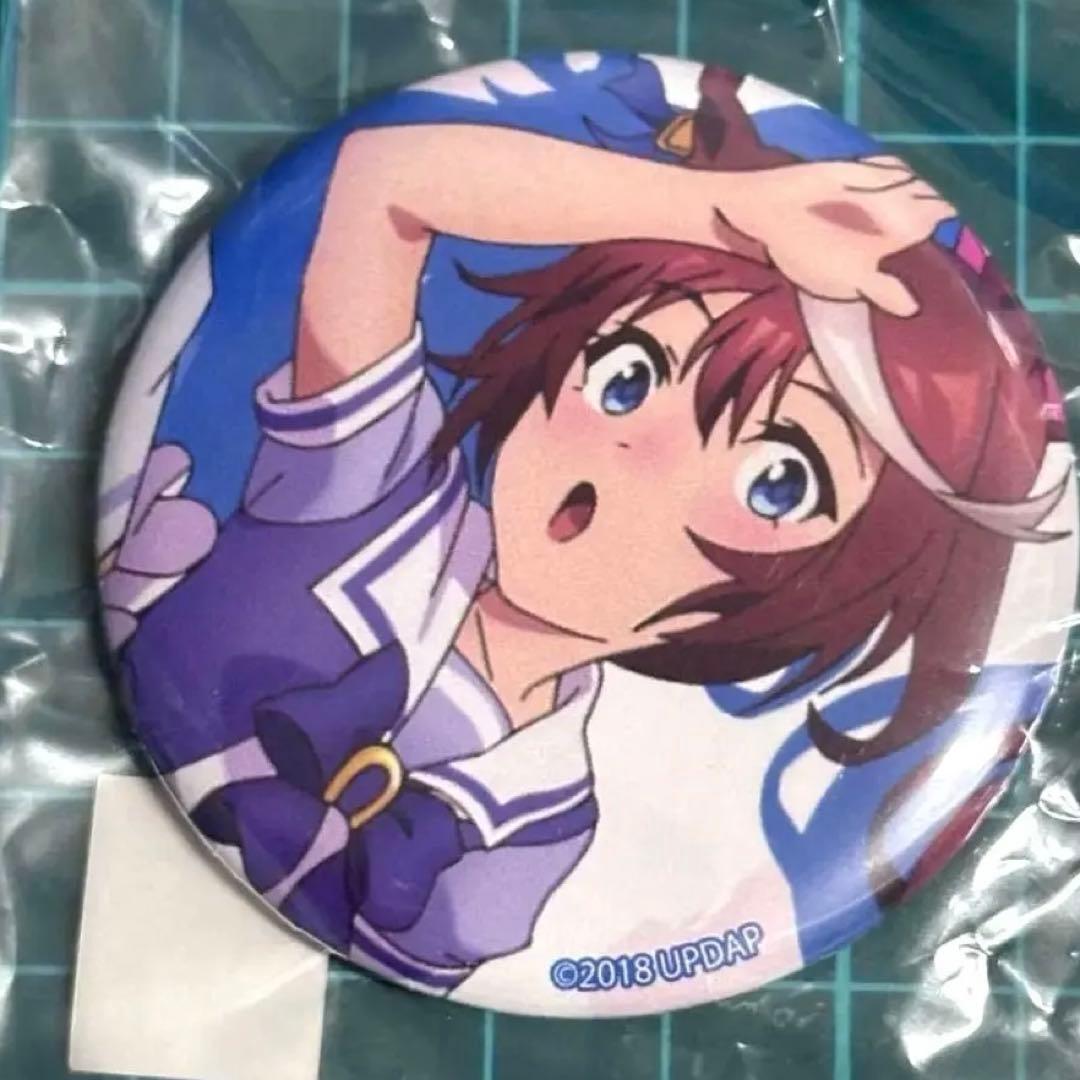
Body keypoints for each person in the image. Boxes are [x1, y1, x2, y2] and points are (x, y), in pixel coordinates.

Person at [101, 63, 1065, 992]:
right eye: (629, 374)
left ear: (846, 572)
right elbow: (382, 184)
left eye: (777, 480)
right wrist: (721, 214)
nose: (634, 457)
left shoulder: (544, 824)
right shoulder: (368, 490)